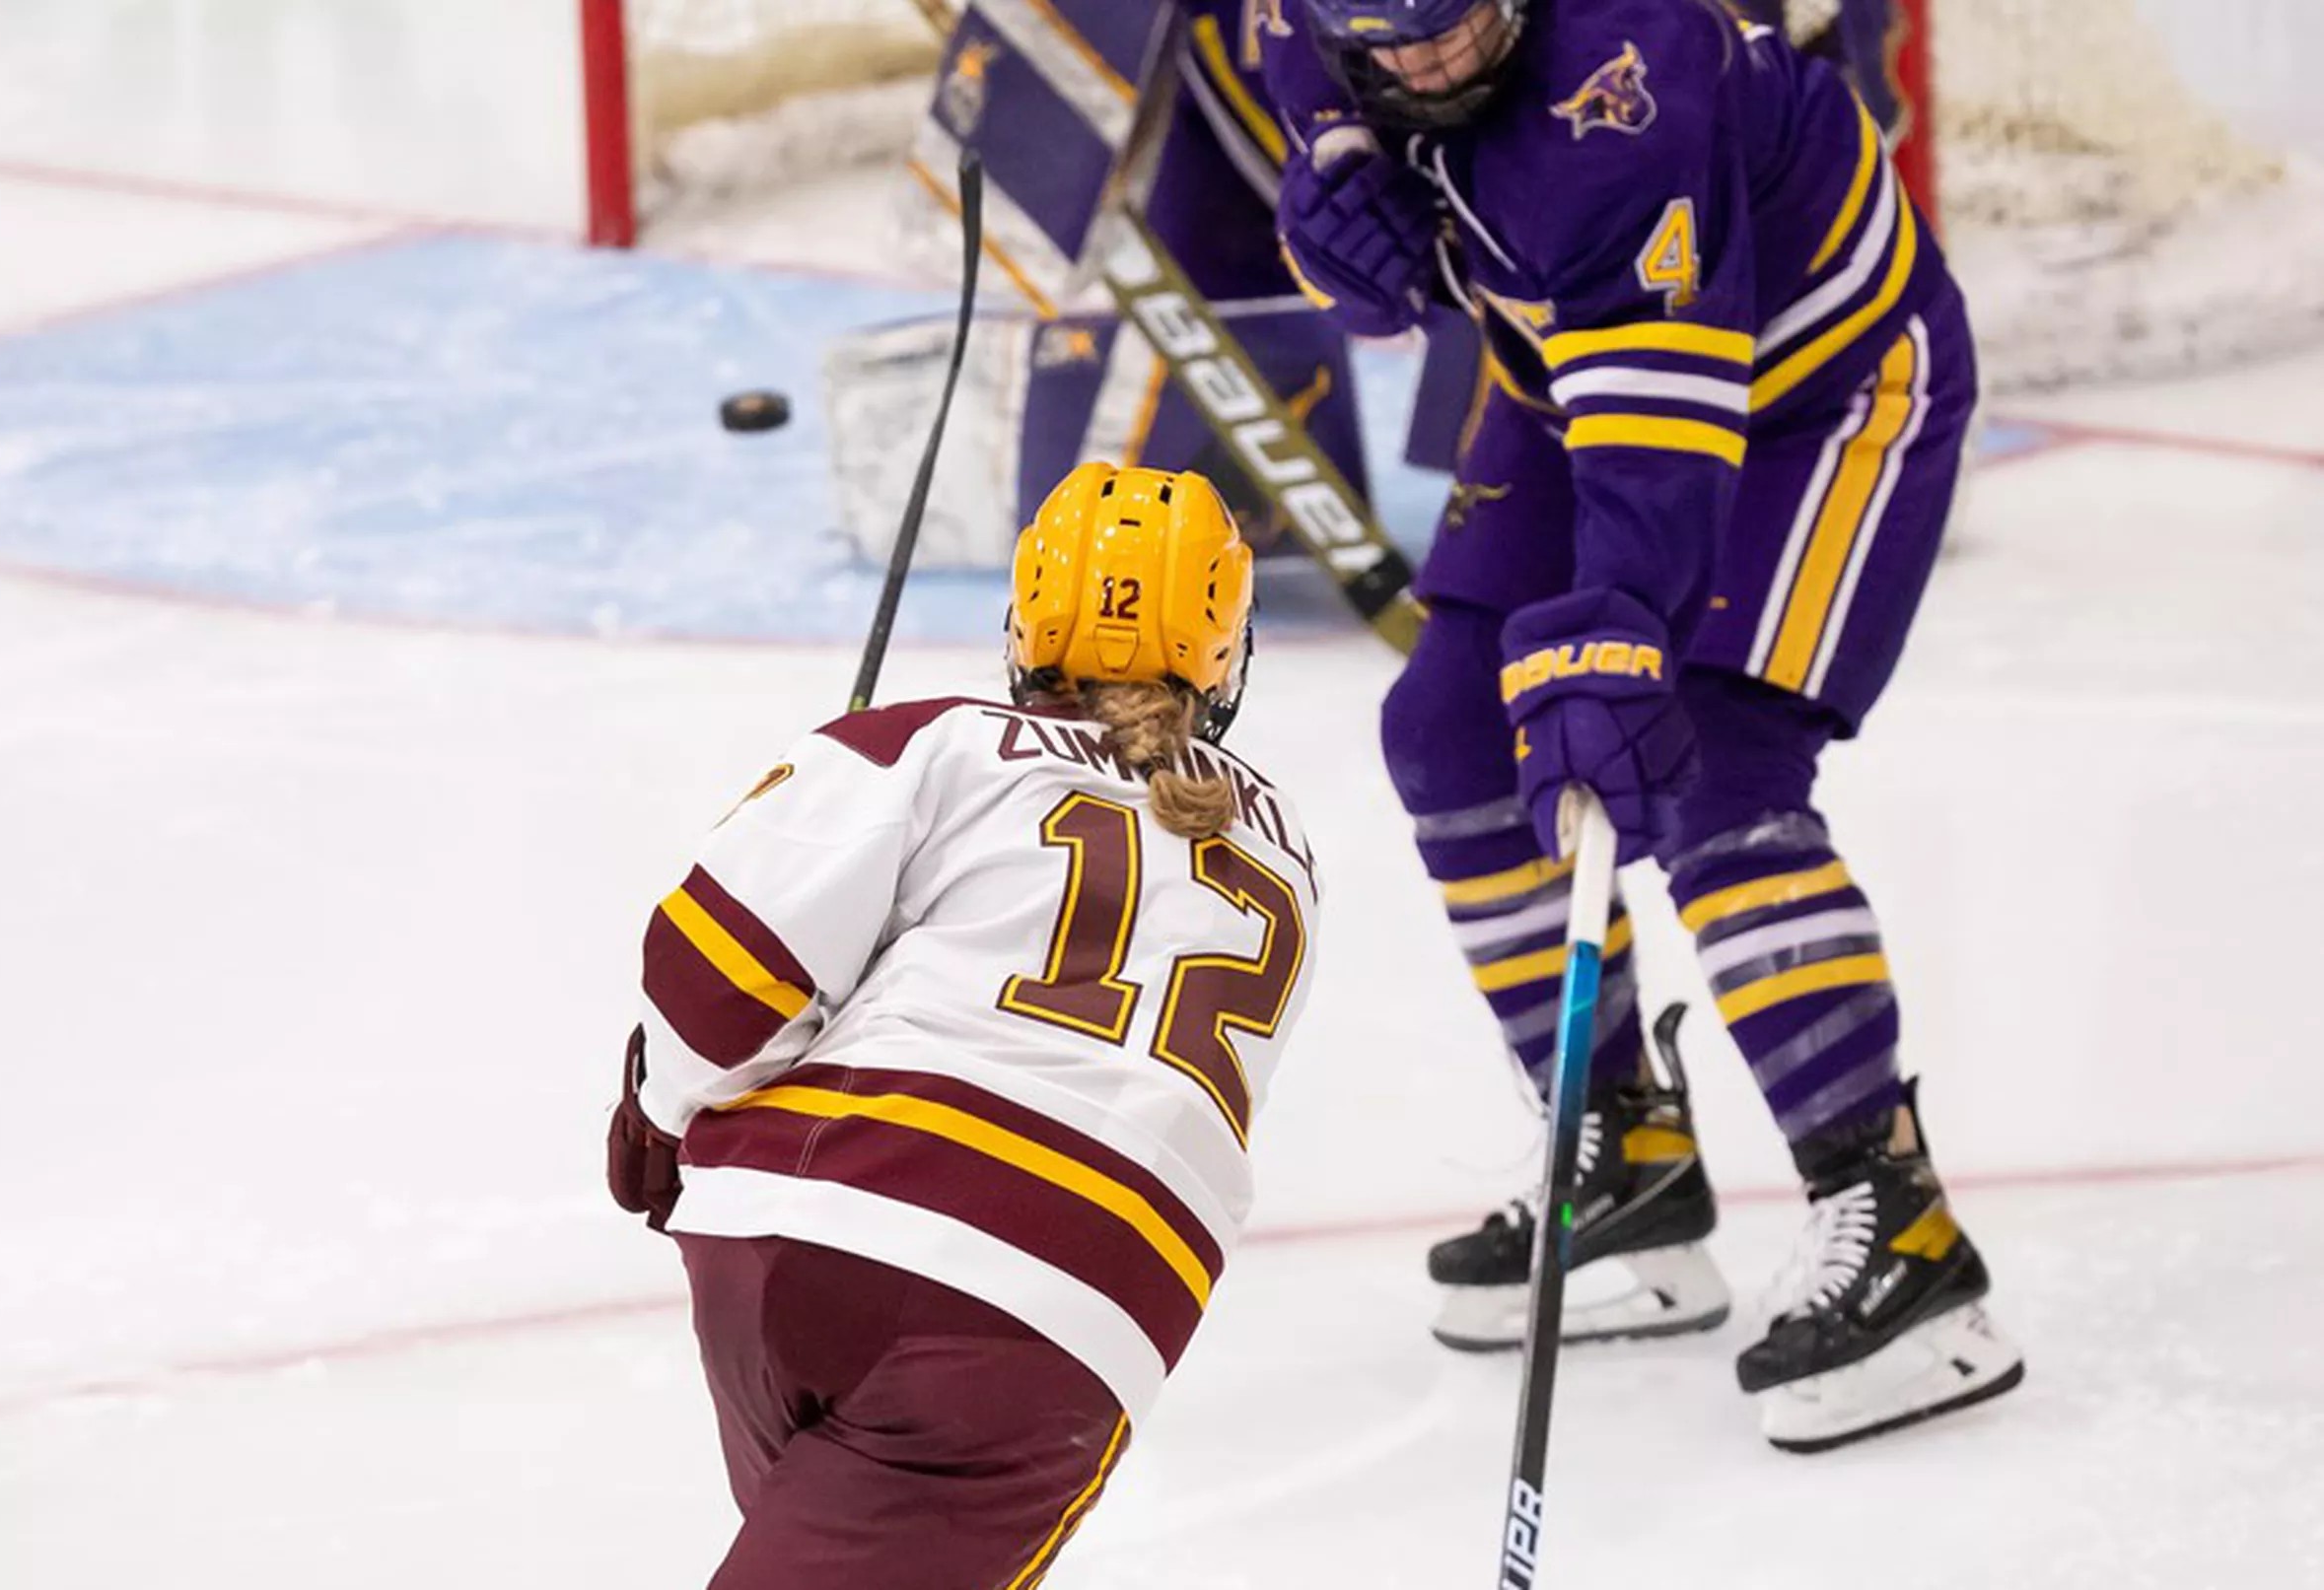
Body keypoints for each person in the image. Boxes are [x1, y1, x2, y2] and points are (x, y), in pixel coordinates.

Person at [1265, 0, 2021, 1451]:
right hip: (1569, 370)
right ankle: (1617, 1154)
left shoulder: (1620, 86)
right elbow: (1299, 61)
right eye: (1387, 43)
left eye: (1452, 26)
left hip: (1825, 390)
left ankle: (1900, 1228)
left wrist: (1617, 623)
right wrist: (1339, 146)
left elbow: (1659, 437)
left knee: (1712, 763)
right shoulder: (1335, 23)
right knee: (1449, 729)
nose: (1426, 63)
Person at [606, 462, 1320, 1583]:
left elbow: (720, 969)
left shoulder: (926, 738)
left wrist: (656, 1110)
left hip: (783, 1238)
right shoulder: (1279, 858)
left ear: (1028, 608)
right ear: (1226, 636)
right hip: (1037, 1313)